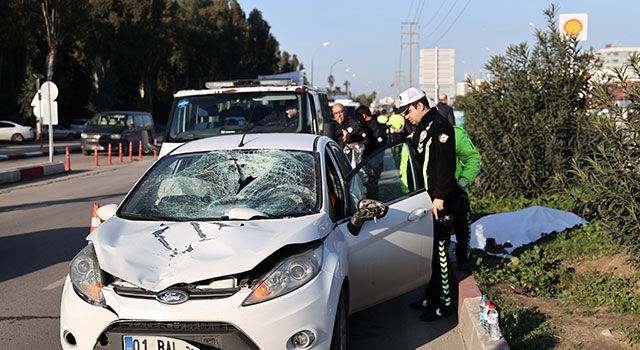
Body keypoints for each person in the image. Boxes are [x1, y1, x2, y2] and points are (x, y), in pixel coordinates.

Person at [398, 87, 459, 322]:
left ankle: (444, 304)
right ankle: (431, 296)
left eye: (408, 110)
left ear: (420, 106)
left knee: (441, 254)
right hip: (426, 199)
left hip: (439, 201)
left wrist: (441, 197)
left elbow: (445, 165)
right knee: (432, 254)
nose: (406, 115)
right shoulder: (422, 127)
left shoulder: (441, 127)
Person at [450, 125, 481, 271]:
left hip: (456, 191)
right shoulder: (417, 135)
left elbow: (473, 158)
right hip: (431, 194)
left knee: (463, 228)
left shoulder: (455, 133)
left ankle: (463, 259)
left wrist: (463, 180)